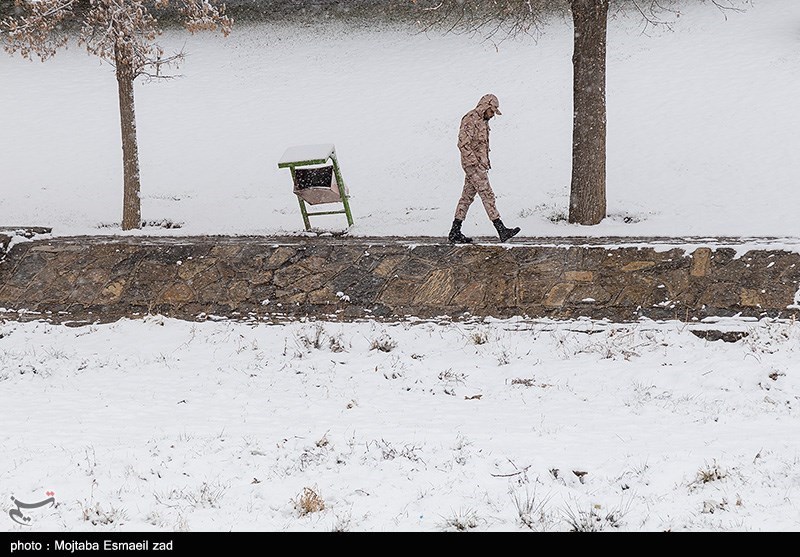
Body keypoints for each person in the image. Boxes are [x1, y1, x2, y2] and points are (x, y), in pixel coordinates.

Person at [448, 93, 520, 244]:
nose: (492, 115)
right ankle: (501, 229)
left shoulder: (483, 120)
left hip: (478, 165)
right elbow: (463, 143)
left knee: (467, 197)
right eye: (492, 111)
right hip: (473, 165)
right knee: (487, 194)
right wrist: (475, 162)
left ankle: (455, 231)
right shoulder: (470, 118)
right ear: (486, 106)